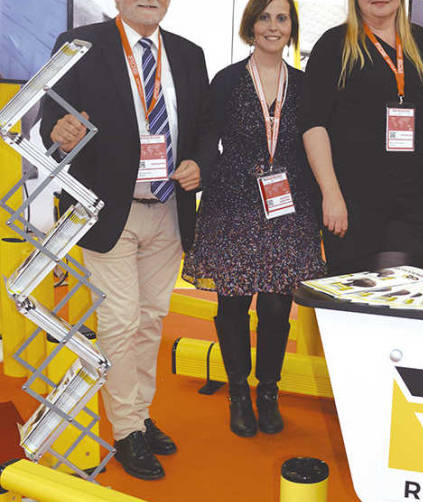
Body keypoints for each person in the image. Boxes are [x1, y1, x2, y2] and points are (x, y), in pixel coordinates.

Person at [40, 0, 215, 481]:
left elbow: (204, 127)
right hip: (106, 211)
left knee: (152, 320)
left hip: (169, 211)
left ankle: (137, 414)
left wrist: (202, 162)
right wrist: (61, 131)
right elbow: (50, 121)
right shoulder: (81, 46)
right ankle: (125, 431)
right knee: (119, 321)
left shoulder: (188, 53)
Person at [182, 0, 324, 439]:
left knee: (278, 306)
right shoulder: (226, 81)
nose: (273, 26)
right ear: (251, 25)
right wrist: (199, 168)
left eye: (282, 18)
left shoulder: (304, 84)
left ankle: (268, 391)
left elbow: (318, 138)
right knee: (233, 305)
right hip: (234, 203)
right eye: (264, 17)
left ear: (292, 27)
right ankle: (239, 393)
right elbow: (208, 136)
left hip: (289, 204)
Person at [300, 0, 423, 275]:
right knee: (354, 302)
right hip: (352, 208)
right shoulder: (334, 44)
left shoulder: (421, 42)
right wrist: (330, 194)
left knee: (405, 300)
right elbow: (313, 124)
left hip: (411, 207)